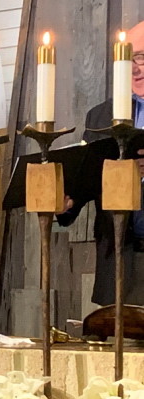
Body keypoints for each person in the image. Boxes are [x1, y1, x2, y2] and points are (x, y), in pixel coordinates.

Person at [57, 20, 144, 306]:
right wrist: (67, 202)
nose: (133, 68)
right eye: (127, 58)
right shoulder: (101, 116)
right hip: (119, 262)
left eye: (141, 57)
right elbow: (88, 176)